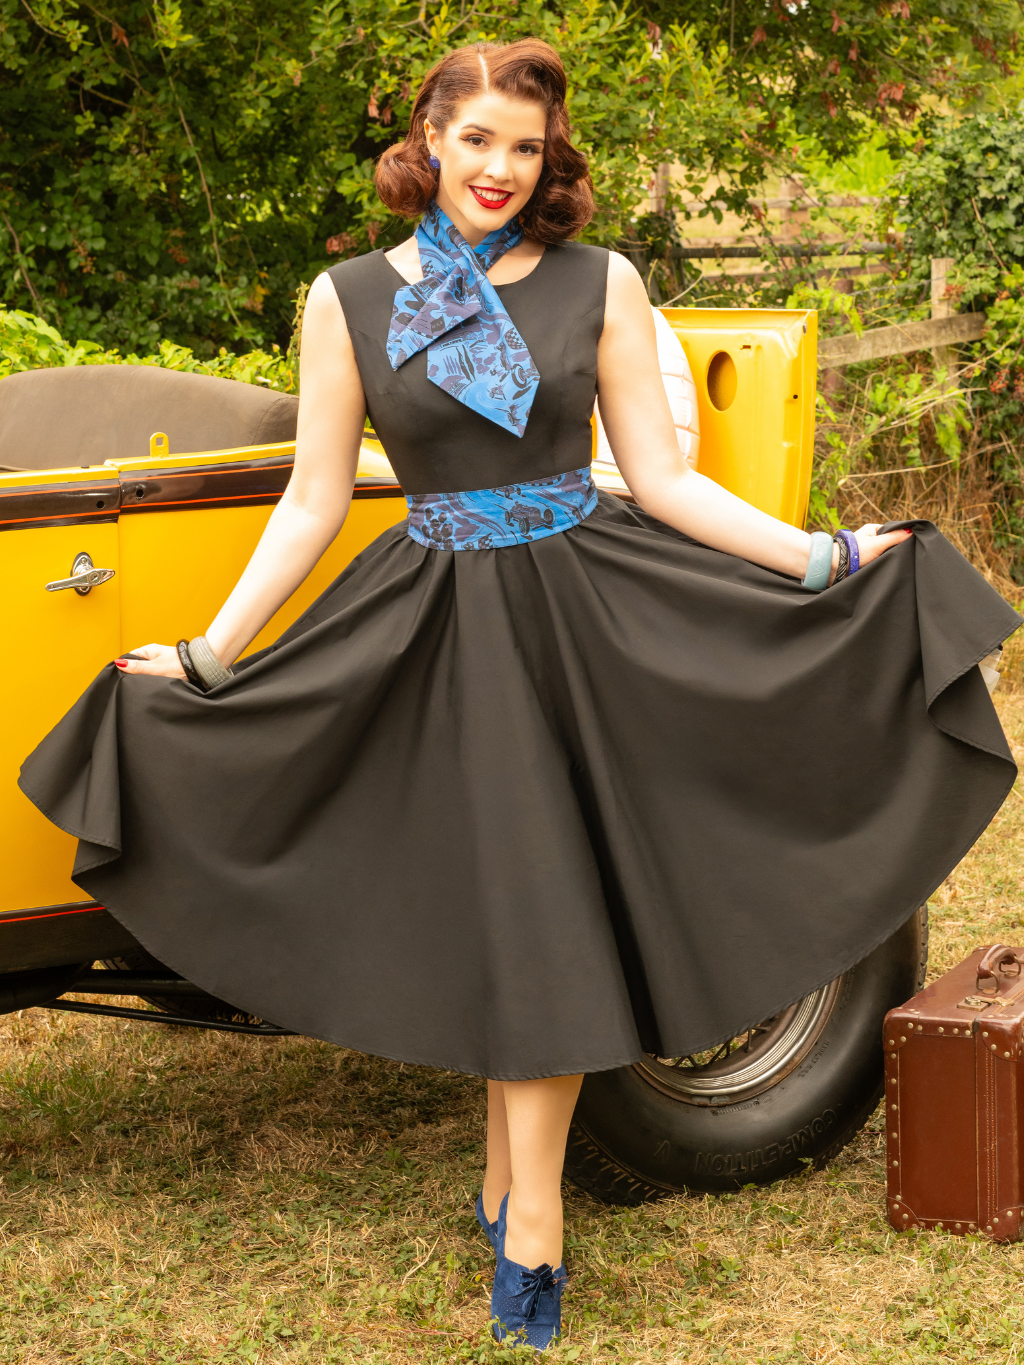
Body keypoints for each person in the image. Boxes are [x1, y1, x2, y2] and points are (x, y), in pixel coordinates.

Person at [20, 38, 1020, 1354]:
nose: (500, 169)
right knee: (512, 914)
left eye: (526, 148)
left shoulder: (601, 284)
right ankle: (519, 1199)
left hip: (585, 609)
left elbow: (660, 482)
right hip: (439, 628)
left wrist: (826, 556)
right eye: (478, 138)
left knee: (546, 910)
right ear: (428, 139)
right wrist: (211, 656)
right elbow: (314, 500)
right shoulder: (349, 299)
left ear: (551, 162)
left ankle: (527, 1208)